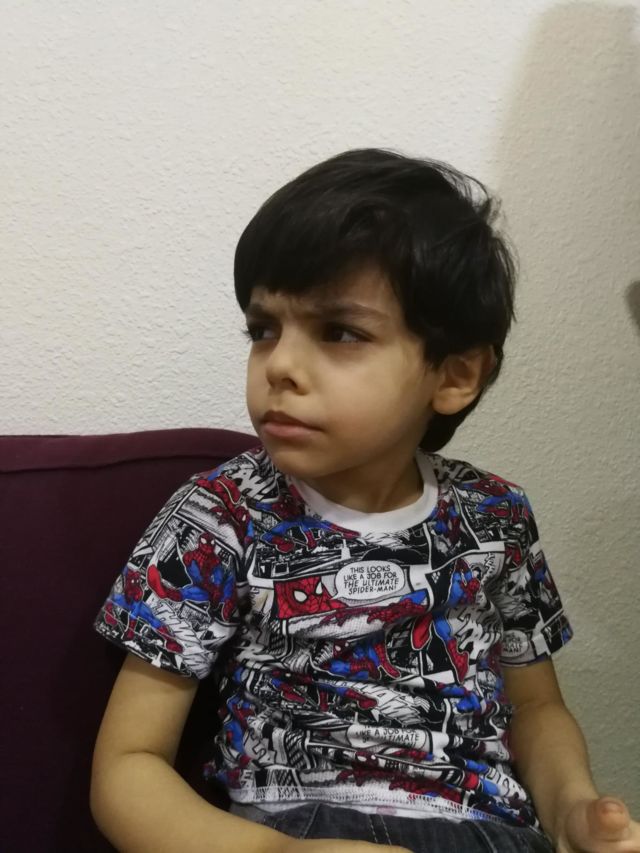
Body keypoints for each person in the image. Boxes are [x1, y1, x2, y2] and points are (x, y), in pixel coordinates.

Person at [90, 148, 639, 853]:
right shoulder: (219, 514)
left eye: (340, 332)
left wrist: (572, 809)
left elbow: (534, 707)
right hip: (296, 825)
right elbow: (127, 765)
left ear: (456, 374)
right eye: (263, 329)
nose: (280, 365)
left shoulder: (496, 516)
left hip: (489, 831)